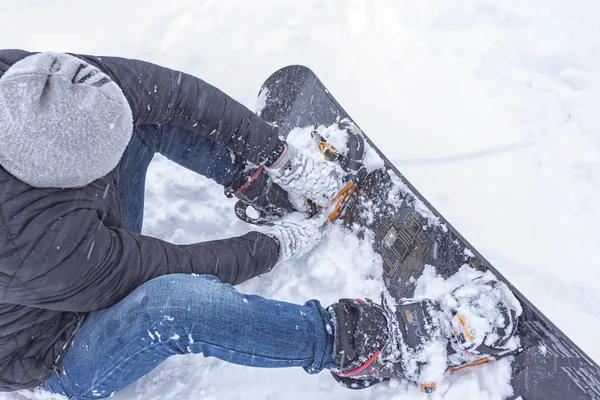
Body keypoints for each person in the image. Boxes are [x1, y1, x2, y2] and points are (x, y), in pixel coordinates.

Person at [0, 50, 520, 399]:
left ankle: (262, 189)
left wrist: (279, 160)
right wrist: (275, 246)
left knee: (139, 118)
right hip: (56, 351)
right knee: (174, 306)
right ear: (63, 178)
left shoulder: (33, 85)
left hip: (69, 236)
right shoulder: (39, 247)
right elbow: (173, 266)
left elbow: (177, 95)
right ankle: (368, 347)